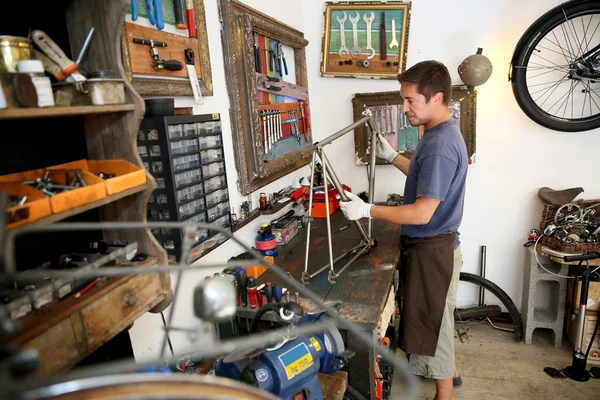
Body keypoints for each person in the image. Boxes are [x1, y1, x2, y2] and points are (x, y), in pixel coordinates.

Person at [339, 60, 467, 400]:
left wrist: (367, 210)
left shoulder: (440, 145)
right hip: (439, 247)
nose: (404, 107)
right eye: (403, 99)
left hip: (432, 250)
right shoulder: (438, 131)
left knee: (431, 326)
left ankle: (444, 395)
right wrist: (394, 156)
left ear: (436, 97)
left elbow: (423, 212)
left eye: (411, 100)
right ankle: (450, 372)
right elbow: (424, 178)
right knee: (440, 319)